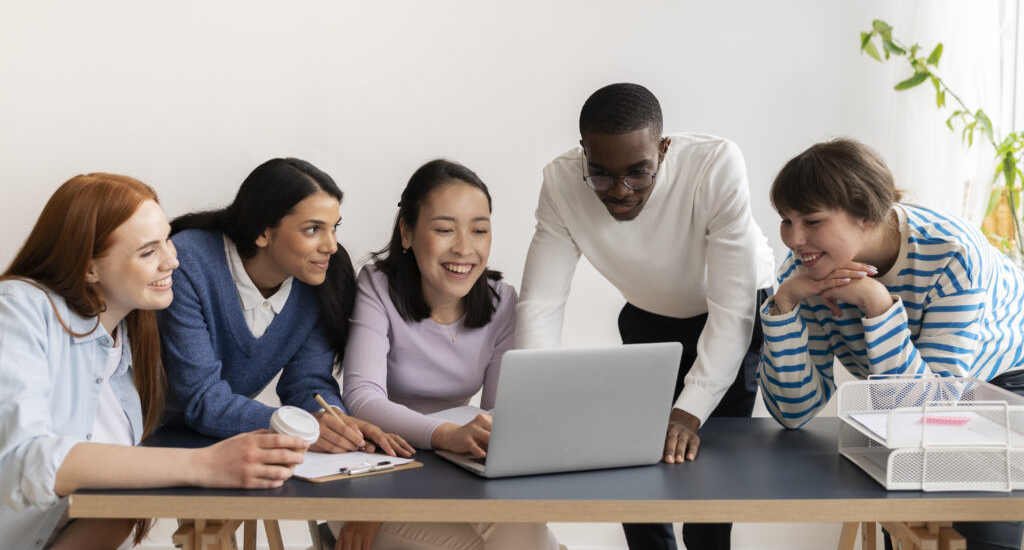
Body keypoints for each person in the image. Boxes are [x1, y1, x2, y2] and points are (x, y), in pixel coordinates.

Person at [515, 83, 774, 550]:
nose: (620, 191)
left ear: (664, 149)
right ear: (583, 155)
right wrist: (535, 403)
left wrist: (689, 412)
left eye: (639, 173)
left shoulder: (715, 166)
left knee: (706, 480)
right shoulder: (559, 183)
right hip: (647, 313)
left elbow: (732, 308)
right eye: (601, 175)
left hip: (734, 310)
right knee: (633, 469)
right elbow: (541, 304)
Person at [0, 174, 309, 550]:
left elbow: (114, 509)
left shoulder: (135, 338)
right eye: (148, 252)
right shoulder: (18, 309)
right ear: (89, 267)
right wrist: (204, 466)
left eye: (166, 239)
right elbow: (22, 462)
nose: (172, 261)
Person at [759, 138, 1024, 550]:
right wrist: (784, 306)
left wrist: (876, 303)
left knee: (981, 528)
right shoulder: (803, 272)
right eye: (786, 220)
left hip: (1005, 386)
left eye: (811, 221)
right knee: (897, 504)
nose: (794, 239)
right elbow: (793, 411)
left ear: (866, 216)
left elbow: (931, 414)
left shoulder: (953, 254)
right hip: (909, 397)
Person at [332, 159, 560, 550]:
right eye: (443, 229)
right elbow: (362, 399)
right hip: (374, 477)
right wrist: (446, 436)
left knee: (524, 532)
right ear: (407, 231)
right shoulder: (378, 287)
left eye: (479, 230)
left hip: (450, 476)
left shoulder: (502, 302)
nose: (464, 248)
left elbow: (496, 423)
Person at [158, 158, 410, 456]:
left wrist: (337, 424)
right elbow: (201, 399)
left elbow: (308, 384)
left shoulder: (320, 279)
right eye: (313, 229)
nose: (331, 245)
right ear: (263, 231)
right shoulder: (187, 263)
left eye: (334, 228)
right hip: (147, 438)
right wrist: (297, 427)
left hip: (227, 444)